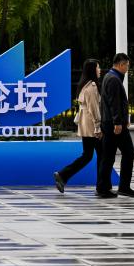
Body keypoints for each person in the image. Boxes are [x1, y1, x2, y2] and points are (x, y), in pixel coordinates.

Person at [53, 59, 103, 193]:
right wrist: (98, 126)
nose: (100, 70)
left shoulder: (84, 85)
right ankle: (102, 186)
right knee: (101, 155)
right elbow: (94, 109)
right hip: (92, 126)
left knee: (88, 155)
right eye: (98, 68)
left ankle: (63, 175)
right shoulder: (92, 87)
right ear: (92, 70)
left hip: (86, 125)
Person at [98, 53, 134, 198]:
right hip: (114, 125)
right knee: (128, 153)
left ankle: (103, 187)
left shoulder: (109, 77)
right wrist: (118, 122)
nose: (127, 68)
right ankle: (123, 187)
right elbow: (114, 103)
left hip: (109, 123)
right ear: (121, 65)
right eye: (127, 65)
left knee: (108, 156)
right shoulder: (114, 79)